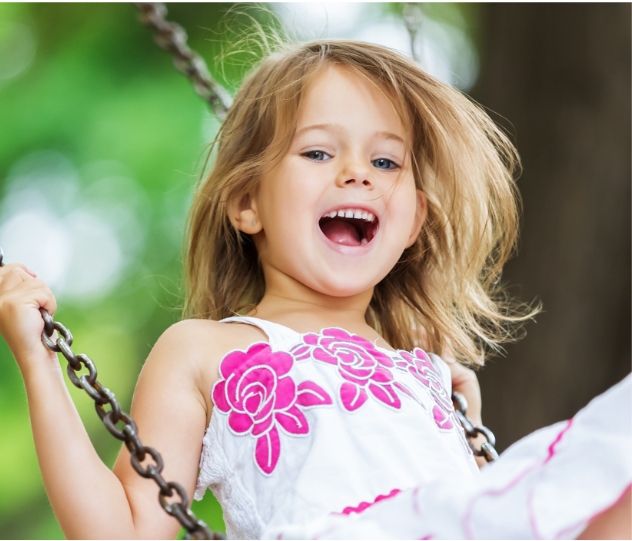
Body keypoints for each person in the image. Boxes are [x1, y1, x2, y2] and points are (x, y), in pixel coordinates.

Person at [0, 40, 629, 540]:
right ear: (247, 202)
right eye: (319, 152)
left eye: (386, 162)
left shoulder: (422, 370)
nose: (357, 172)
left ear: (414, 221)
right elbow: (125, 533)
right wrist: (38, 360)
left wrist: (467, 428)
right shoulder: (204, 351)